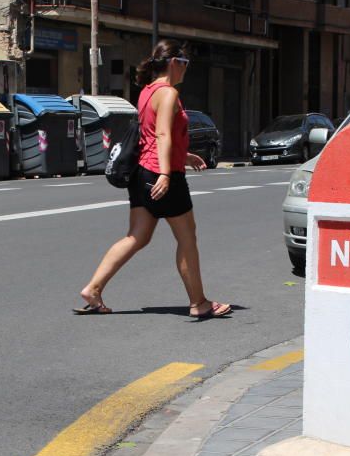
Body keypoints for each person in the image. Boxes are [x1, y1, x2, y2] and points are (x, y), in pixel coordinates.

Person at [75, 39, 232, 319]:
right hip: (161, 175)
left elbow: (149, 136)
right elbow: (161, 134)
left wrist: (184, 156)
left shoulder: (146, 92)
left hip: (141, 173)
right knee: (187, 238)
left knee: (137, 236)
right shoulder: (168, 93)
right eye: (185, 64)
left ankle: (93, 289)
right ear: (174, 63)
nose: (186, 70)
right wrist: (165, 173)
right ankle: (199, 302)